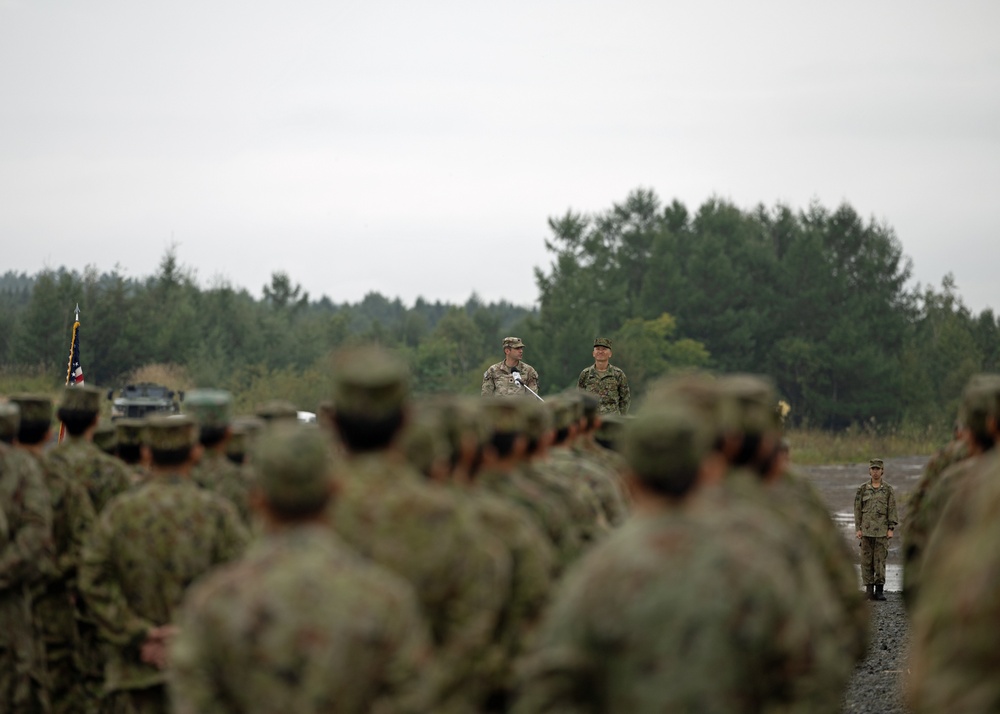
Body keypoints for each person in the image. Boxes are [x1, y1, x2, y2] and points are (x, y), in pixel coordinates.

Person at [170, 423, 432, 714]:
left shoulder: (212, 603)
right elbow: (411, 698)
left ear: (257, 498)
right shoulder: (386, 600)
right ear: (335, 490)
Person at [78, 415, 249, 713]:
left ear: (146, 453)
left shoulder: (120, 513)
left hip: (135, 671)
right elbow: (244, 580)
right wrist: (190, 634)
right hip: (200, 673)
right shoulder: (217, 513)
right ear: (195, 452)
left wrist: (137, 633)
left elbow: (93, 578)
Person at [854, 458, 898, 601]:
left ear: (882, 471)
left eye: (877, 469)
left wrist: (890, 528)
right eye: (873, 469)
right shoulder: (862, 489)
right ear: (869, 471)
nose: (875, 472)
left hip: (881, 531)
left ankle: (879, 590)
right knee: (866, 561)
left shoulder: (888, 490)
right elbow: (857, 509)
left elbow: (892, 509)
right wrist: (858, 528)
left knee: (880, 561)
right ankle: (868, 589)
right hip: (866, 531)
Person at [577, 337, 630, 415]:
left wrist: (621, 418)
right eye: (598, 349)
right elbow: (579, 398)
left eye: (604, 349)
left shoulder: (618, 374)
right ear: (593, 353)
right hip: (592, 420)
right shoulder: (586, 374)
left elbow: (625, 399)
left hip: (612, 421)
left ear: (610, 354)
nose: (600, 352)